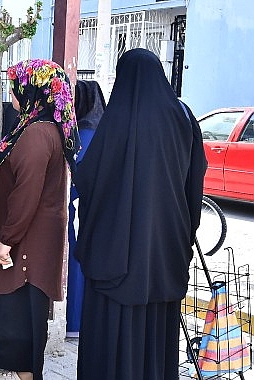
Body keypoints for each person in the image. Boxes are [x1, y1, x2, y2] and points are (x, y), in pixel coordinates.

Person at [74, 48, 207, 379]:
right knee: (158, 327)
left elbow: (89, 179)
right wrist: (184, 232)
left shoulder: (117, 119)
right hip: (166, 247)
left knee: (113, 328)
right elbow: (196, 180)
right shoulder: (183, 116)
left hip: (115, 253)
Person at [0, 59, 79, 380]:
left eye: (15, 86)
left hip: (26, 245)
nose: (11, 94)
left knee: (21, 323)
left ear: (31, 91)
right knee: (19, 318)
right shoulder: (37, 126)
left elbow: (27, 192)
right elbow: (22, 174)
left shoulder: (37, 134)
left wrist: (7, 242)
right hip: (33, 240)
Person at [65, 80, 106, 339]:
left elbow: (74, 180)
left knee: (74, 266)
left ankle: (74, 322)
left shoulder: (82, 135)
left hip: (80, 214)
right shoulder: (107, 130)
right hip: (101, 215)